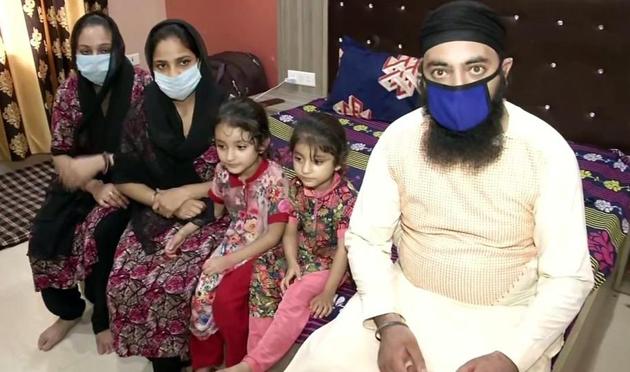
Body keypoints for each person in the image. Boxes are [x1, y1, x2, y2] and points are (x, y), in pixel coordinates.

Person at [285, 2, 594, 372]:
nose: (458, 85)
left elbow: (567, 277)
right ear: (422, 77)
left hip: (504, 320)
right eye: (440, 71)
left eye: (476, 68)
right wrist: (389, 322)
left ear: (505, 72)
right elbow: (366, 239)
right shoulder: (399, 138)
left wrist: (510, 357)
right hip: (403, 302)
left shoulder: (546, 152)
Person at [106, 20, 227, 372]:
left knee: (181, 280)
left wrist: (188, 191)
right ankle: (164, 361)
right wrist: (162, 200)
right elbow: (125, 177)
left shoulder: (226, 108)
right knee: (127, 276)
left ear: (200, 60)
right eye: (162, 65)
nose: (174, 73)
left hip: (218, 210)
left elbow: (247, 172)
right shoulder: (142, 111)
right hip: (155, 210)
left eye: (183, 62)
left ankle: (193, 355)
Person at [28, 11, 151, 354]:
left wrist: (107, 168)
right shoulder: (69, 90)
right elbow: (60, 153)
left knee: (98, 236)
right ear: (74, 52)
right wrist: (93, 185)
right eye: (86, 50)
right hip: (82, 182)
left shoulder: (141, 85)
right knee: (45, 234)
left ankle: (104, 317)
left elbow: (150, 150)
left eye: (104, 49)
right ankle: (68, 312)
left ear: (118, 49)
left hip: (129, 180)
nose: (94, 59)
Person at [221, 113, 358, 372]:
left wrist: (328, 292)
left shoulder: (346, 198)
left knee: (296, 295)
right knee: (262, 271)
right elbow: (291, 227)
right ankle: (255, 355)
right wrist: (292, 262)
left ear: (338, 162)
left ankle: (252, 365)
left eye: (318, 161)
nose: (305, 168)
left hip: (329, 265)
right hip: (301, 252)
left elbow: (343, 250)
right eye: (298, 159)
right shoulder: (294, 185)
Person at [168, 97, 291, 372]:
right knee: (202, 295)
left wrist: (228, 261)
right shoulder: (222, 173)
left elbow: (274, 236)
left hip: (266, 249)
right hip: (235, 239)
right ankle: (205, 363)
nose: (229, 155)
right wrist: (184, 232)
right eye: (222, 146)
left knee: (226, 302)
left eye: (240, 146)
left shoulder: (276, 180)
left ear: (262, 144)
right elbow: (216, 211)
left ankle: (237, 363)